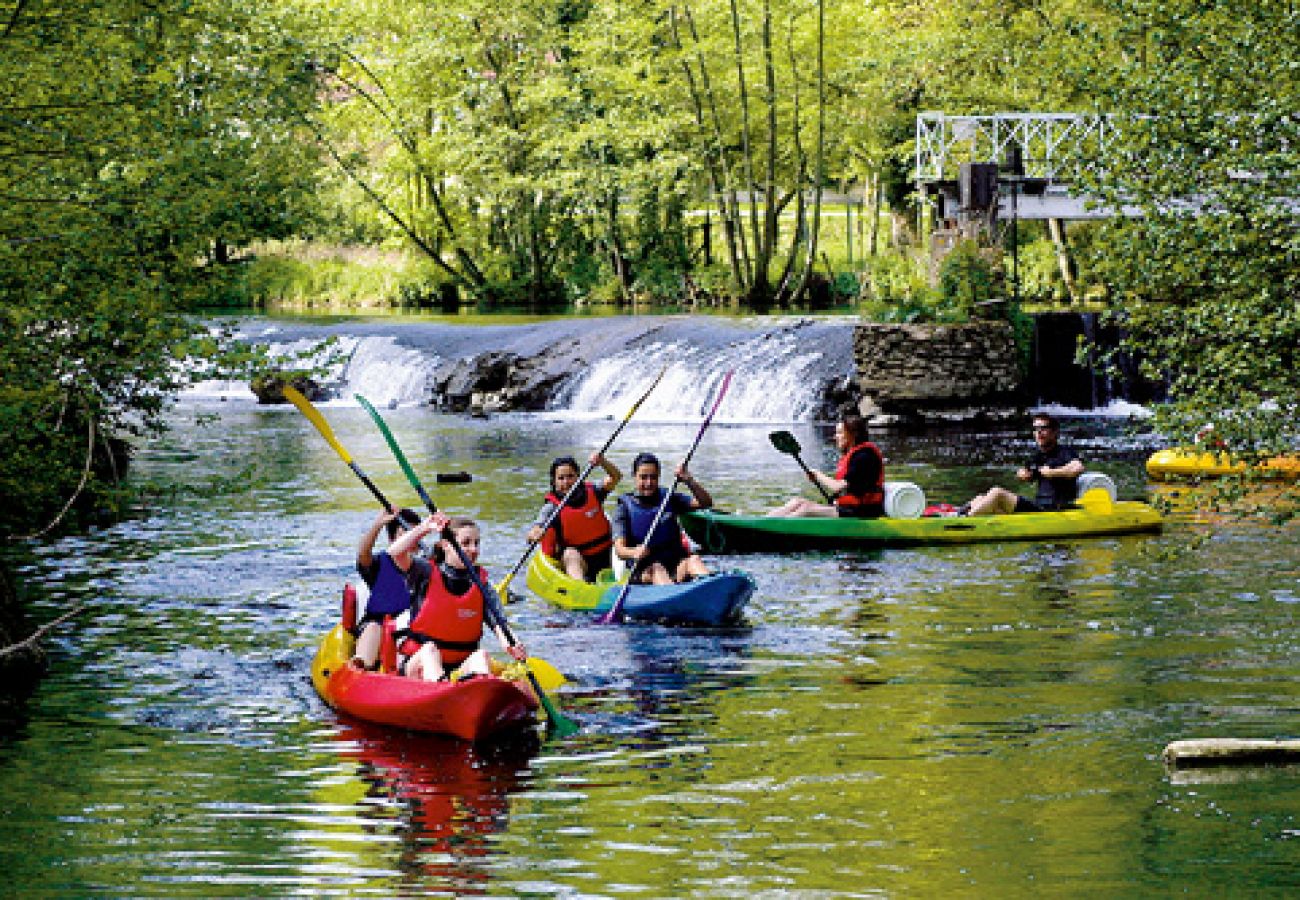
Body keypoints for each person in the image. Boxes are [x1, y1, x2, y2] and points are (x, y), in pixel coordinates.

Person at [387, 512, 526, 683]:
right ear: (446, 545)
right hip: (419, 662)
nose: (474, 549)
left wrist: (512, 644)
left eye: (476, 543)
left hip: (461, 665)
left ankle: (475, 690)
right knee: (430, 650)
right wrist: (424, 528)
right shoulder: (424, 571)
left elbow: (500, 626)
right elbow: (394, 553)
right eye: (466, 543)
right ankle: (441, 687)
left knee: (481, 655)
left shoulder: (482, 586)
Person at [611, 452, 713, 585]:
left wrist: (689, 480)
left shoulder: (668, 497)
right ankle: (674, 597)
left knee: (694, 560)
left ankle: (712, 589)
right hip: (645, 572)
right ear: (634, 477)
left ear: (658, 477)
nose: (648, 482)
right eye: (643, 477)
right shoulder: (624, 507)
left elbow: (705, 502)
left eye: (653, 477)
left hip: (675, 566)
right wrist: (634, 552)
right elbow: (620, 550)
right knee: (657, 569)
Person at [525, 452, 621, 581]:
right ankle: (580, 588)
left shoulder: (594, 491)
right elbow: (535, 528)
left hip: (606, 553)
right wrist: (535, 534)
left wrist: (603, 462)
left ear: (578, 477)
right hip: (580, 560)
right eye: (561, 478)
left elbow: (615, 477)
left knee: (622, 543)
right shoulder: (551, 508)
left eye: (570, 476)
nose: (566, 482)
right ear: (554, 481)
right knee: (570, 554)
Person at [964, 413, 1084, 515]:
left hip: (1055, 509)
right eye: (1036, 429)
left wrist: (1052, 472)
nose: (1039, 432)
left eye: (1043, 428)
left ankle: (965, 523)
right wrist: (1022, 474)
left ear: (1054, 432)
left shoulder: (1065, 452)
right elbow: (1023, 472)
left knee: (997, 492)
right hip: (1038, 506)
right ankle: (959, 515)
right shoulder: (1038, 456)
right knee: (980, 498)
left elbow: (1078, 468)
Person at [767, 414, 885, 518]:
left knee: (805, 510)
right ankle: (763, 522)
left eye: (839, 432)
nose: (835, 436)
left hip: (864, 511)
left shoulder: (864, 456)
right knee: (797, 502)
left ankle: (775, 532)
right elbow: (849, 489)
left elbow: (838, 487)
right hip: (848, 508)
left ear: (853, 434)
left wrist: (818, 475)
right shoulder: (855, 454)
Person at [350, 507, 422, 671]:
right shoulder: (378, 564)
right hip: (379, 625)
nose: (411, 541)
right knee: (373, 628)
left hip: (409, 630)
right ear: (392, 539)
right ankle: (362, 666)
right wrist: (378, 525)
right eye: (406, 534)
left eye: (415, 535)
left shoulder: (427, 568)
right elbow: (363, 553)